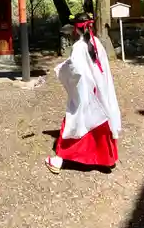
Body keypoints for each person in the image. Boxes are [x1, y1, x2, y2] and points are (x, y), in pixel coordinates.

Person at [45, 13, 121, 174]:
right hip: (99, 89)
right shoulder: (97, 43)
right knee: (100, 120)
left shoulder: (79, 47)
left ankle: (59, 160)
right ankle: (105, 159)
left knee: (76, 120)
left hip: (86, 90)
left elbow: (76, 71)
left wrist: (62, 69)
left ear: (76, 28)